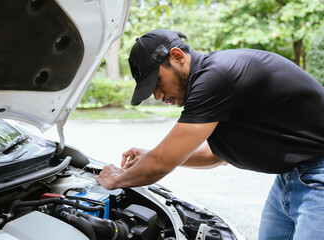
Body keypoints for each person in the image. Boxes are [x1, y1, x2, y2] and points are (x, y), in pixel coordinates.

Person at [95, 29, 324, 239]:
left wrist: (117, 180)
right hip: (290, 179)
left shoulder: (215, 77)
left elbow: (160, 165)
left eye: (157, 82)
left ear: (177, 56)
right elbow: (215, 156)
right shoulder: (213, 81)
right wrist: (149, 156)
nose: (156, 95)